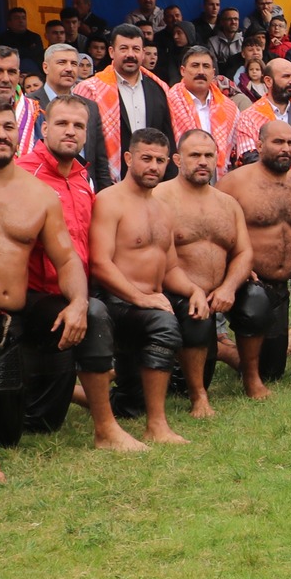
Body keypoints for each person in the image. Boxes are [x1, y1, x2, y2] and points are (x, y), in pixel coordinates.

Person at [0, 96, 138, 483]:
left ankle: (105, 428)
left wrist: (77, 302)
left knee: (91, 314)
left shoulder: (39, 194)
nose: (1, 135)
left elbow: (66, 259)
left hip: (19, 311)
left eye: (8, 127)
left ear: (19, 132)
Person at [88, 131, 193, 444]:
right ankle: (157, 426)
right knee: (165, 324)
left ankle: (81, 393)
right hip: (117, 303)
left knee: (129, 403)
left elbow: (171, 267)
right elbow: (100, 263)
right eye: (146, 159)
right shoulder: (109, 201)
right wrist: (140, 298)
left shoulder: (162, 209)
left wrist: (194, 290)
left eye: (160, 161)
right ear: (129, 159)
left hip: (147, 303)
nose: (154, 166)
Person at [158, 130, 258, 417]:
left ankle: (251, 376)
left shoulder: (227, 203)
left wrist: (229, 286)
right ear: (177, 159)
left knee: (258, 301)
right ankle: (198, 395)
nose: (202, 161)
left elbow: (244, 252)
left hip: (221, 292)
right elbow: (157, 259)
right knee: (196, 315)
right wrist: (193, 290)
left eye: (208, 155)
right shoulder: (159, 198)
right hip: (179, 293)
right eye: (194, 155)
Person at [218, 120, 291, 397]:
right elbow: (214, 234)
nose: (285, 148)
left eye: (290, 143)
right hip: (245, 285)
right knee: (259, 369)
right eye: (277, 142)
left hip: (278, 289)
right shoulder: (234, 183)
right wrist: (234, 269)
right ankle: (232, 358)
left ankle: (225, 351)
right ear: (259, 145)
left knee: (273, 371)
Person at [79, 25, 174, 179]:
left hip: (153, 180)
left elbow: (167, 138)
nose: (130, 55)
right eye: (124, 49)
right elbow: (85, 144)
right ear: (111, 52)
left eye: (136, 49)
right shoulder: (91, 90)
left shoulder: (159, 88)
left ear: (143, 53)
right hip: (107, 180)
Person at [36, 43, 112, 189]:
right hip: (43, 190)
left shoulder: (90, 107)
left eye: (74, 63)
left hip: (85, 190)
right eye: (62, 62)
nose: (69, 69)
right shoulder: (29, 104)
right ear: (45, 67)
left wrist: (104, 194)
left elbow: (100, 160)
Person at [235, 56, 291, 162]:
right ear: (268, 81)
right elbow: (248, 156)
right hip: (258, 177)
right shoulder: (249, 116)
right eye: (286, 76)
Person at [166, 47, 238, 166]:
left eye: (206, 66)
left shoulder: (229, 107)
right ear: (183, 71)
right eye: (195, 66)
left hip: (218, 179)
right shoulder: (168, 102)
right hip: (177, 176)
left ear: (213, 72)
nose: (201, 71)